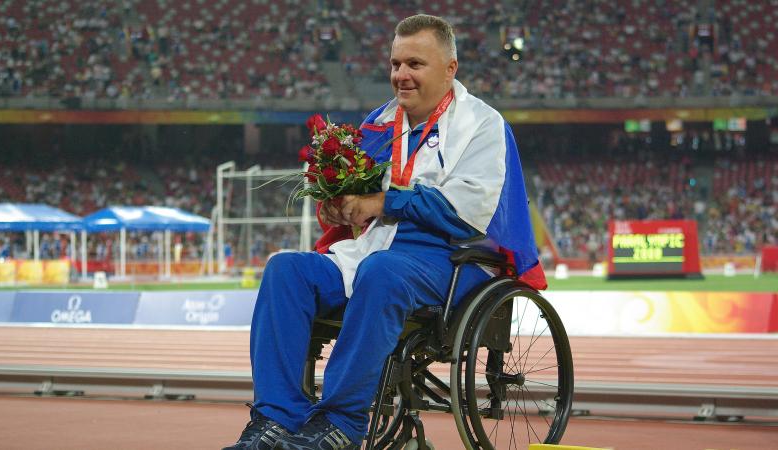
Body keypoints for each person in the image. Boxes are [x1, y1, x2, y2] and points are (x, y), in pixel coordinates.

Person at [223, 14, 545, 450]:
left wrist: (383, 201)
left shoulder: (482, 125)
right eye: (395, 64)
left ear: (450, 69)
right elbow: (353, 202)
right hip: (377, 251)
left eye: (415, 64)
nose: (401, 75)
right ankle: (275, 421)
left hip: (451, 260)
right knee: (285, 270)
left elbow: (467, 212)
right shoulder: (381, 121)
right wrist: (339, 209)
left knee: (382, 272)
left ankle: (340, 423)